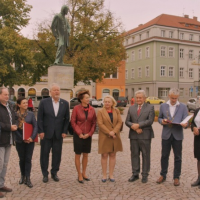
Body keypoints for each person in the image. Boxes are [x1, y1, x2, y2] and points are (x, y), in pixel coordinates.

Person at [37, 83, 69, 183]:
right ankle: (45, 174)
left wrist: (64, 131)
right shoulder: (44, 102)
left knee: (57, 154)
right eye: (54, 90)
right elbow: (40, 118)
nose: (56, 92)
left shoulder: (65, 103)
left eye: (58, 90)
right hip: (46, 133)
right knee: (44, 154)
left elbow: (67, 119)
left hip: (58, 134)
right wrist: (40, 131)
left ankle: (54, 172)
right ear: (50, 92)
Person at [156, 88, 188, 186]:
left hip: (178, 135)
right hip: (166, 134)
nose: (174, 100)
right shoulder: (163, 105)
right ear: (169, 96)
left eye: (176, 98)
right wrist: (162, 121)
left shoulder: (183, 107)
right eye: (172, 98)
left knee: (178, 157)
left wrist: (185, 124)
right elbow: (159, 118)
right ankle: (163, 175)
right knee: (164, 156)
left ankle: (176, 177)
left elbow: (186, 120)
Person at [125, 90, 154, 183]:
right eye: (137, 97)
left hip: (145, 135)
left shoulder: (150, 107)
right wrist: (134, 127)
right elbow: (127, 121)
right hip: (134, 135)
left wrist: (139, 125)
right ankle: (135, 173)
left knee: (145, 155)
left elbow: (150, 121)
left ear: (144, 98)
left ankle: (145, 174)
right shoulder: (131, 108)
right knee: (134, 155)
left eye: (140, 97)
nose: (138, 99)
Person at [71, 90, 96, 184]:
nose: (88, 99)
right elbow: (73, 122)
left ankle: (84, 173)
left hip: (88, 135)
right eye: (86, 97)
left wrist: (89, 134)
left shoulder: (92, 109)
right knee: (78, 154)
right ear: (81, 99)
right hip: (79, 135)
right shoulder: (76, 108)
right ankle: (79, 174)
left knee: (86, 154)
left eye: (88, 97)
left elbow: (94, 123)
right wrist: (79, 133)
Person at [97, 95, 123, 182]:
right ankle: (104, 175)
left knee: (113, 154)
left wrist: (114, 132)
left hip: (115, 136)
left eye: (109, 102)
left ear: (112, 103)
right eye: (105, 101)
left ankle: (111, 174)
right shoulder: (100, 111)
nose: (107, 103)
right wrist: (109, 132)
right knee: (104, 155)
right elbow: (100, 124)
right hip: (105, 136)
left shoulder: (116, 111)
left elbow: (120, 122)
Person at [15, 97, 38, 188]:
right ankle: (22, 176)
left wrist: (32, 137)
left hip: (30, 141)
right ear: (19, 105)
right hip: (20, 140)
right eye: (23, 103)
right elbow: (15, 128)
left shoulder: (31, 114)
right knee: (22, 159)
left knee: (28, 159)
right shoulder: (15, 115)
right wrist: (22, 138)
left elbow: (35, 126)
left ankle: (28, 178)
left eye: (26, 103)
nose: (26, 104)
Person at [0, 87, 17, 198]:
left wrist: (15, 125)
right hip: (0, 140)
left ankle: (1, 184)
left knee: (5, 164)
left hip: (9, 139)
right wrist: (9, 127)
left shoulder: (10, 106)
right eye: (5, 94)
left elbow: (14, 118)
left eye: (8, 95)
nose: (7, 96)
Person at [191, 107, 200, 187]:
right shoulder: (197, 110)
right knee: (199, 158)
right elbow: (193, 122)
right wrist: (194, 128)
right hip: (198, 138)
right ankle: (199, 178)